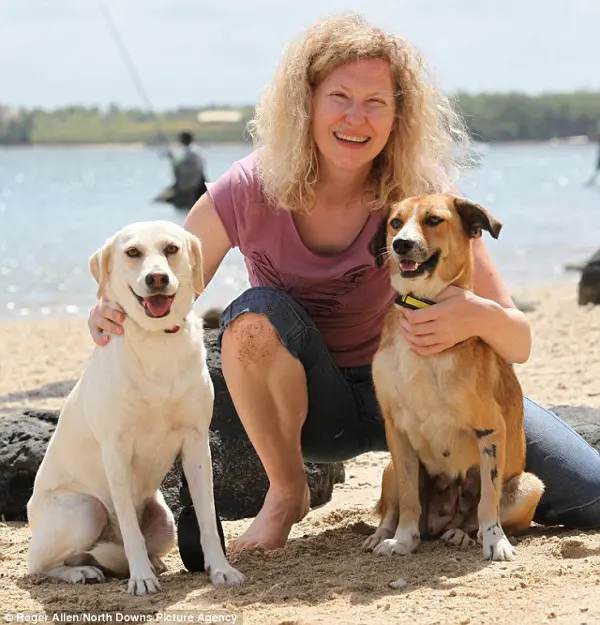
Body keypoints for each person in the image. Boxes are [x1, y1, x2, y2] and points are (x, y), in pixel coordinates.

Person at [89, 13, 600, 556]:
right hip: (312, 409)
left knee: (590, 496)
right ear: (305, 101)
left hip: (426, 399)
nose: (357, 118)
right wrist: (106, 312)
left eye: (376, 101)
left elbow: (517, 342)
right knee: (253, 313)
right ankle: (288, 492)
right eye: (340, 96)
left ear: (398, 112)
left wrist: (471, 315)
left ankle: (462, 504)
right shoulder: (247, 188)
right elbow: (164, 282)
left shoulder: (422, 197)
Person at [157, 131, 208, 210]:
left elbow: (185, 169)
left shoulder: (192, 152)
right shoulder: (193, 150)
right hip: (193, 183)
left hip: (192, 185)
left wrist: (172, 158)